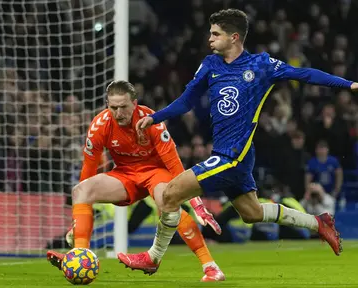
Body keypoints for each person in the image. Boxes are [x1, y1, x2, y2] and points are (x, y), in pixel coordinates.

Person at [118, 8, 357, 273]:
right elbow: (186, 101)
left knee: (171, 193)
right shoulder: (210, 64)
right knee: (251, 213)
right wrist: (156, 117)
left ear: (234, 37)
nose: (210, 38)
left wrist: (348, 85)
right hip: (230, 154)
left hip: (234, 155)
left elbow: (305, 74)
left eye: (215, 34)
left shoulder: (261, 65)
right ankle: (318, 223)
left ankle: (153, 257)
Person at [46, 80, 225, 282]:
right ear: (107, 105)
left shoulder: (151, 121)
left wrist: (196, 203)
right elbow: (89, 168)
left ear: (135, 103)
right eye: (113, 107)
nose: (118, 113)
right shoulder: (100, 125)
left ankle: (210, 267)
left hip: (156, 173)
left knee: (169, 203)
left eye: (123, 107)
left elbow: (174, 165)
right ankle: (79, 256)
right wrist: (76, 223)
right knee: (81, 190)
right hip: (125, 175)